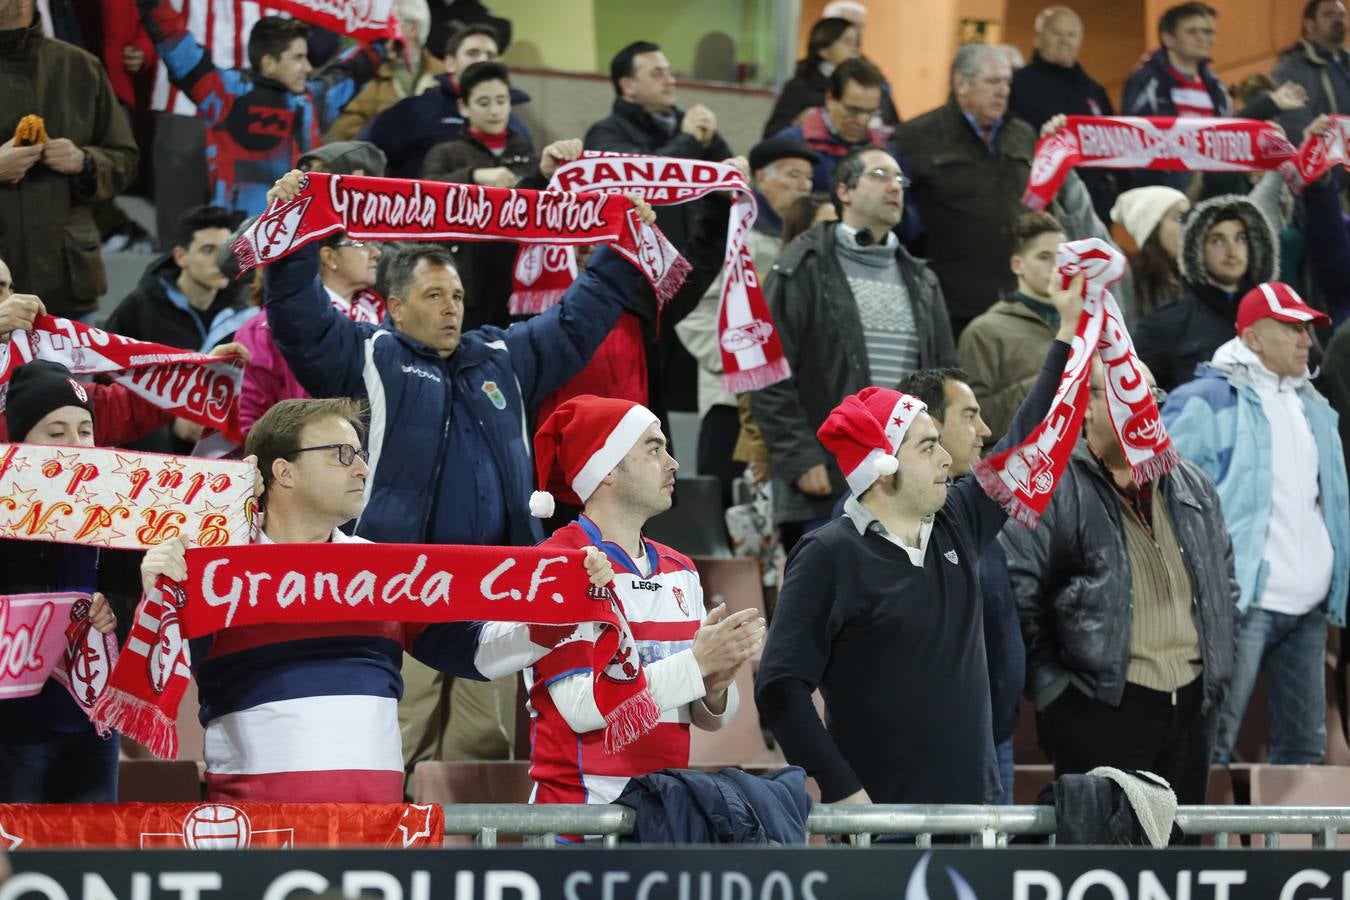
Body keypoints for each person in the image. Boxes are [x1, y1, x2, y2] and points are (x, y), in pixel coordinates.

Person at [260, 169, 660, 783]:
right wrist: (290, 239)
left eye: (456, 297)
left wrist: (620, 248)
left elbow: (578, 320)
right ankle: (394, 858)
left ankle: (471, 868)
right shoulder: (367, 356)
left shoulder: (501, 356)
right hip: (401, 584)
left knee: (484, 741)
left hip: (495, 584)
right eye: (433, 297)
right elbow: (299, 319)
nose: (451, 309)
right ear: (394, 306)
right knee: (402, 729)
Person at [137, 396, 613, 801]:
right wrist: (157, 598)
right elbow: (157, 681)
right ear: (284, 471)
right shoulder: (219, 572)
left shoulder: (383, 570)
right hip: (256, 835)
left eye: (361, 454)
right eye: (342, 454)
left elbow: (471, 653)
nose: (363, 468)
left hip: (374, 835)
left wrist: (564, 613)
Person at [756, 273, 1082, 807]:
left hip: (974, 816)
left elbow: (1028, 437)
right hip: (882, 828)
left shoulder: (958, 519)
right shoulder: (829, 555)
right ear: (883, 470)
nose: (947, 458)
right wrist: (842, 790)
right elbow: (780, 688)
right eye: (928, 446)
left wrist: (1067, 331)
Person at [1001, 360, 1237, 812]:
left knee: (1179, 868)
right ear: (1086, 406)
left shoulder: (1195, 484)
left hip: (1191, 707)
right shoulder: (1051, 484)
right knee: (1103, 865)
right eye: (1127, 397)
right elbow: (1017, 593)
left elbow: (1224, 585)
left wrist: (1217, 676)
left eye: (1152, 396)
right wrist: (1056, 692)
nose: (1144, 408)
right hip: (1099, 705)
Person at [525, 396, 765, 807]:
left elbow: (709, 718)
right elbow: (581, 708)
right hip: (579, 825)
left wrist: (716, 687)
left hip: (662, 814)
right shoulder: (556, 565)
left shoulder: (681, 570)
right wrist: (697, 664)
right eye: (654, 449)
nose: (673, 463)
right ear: (606, 472)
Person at [1163, 283, 1349, 766]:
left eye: (1307, 329)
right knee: (1212, 741)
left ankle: (1295, 846)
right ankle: (1190, 843)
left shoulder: (1316, 408)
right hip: (1240, 602)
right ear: (1252, 337)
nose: (1306, 340)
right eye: (1293, 328)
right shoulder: (1204, 400)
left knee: (1305, 750)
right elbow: (1164, 493)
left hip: (1308, 608)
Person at [750, 146, 957, 550]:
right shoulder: (800, 266)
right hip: (826, 474)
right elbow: (766, 371)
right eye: (880, 175)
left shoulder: (921, 279)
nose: (894, 187)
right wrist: (799, 457)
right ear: (843, 190)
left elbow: (943, 379)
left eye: (900, 180)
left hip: (908, 477)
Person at [893, 366, 1022, 804]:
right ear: (927, 424)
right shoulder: (868, 523)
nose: (984, 430)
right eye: (969, 416)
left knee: (988, 874)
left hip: (993, 739)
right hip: (916, 755)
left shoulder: (968, 509)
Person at [0, 361, 120, 802]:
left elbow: (141, 591)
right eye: (56, 433)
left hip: (98, 719)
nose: (76, 445)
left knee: (96, 853)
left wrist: (114, 610)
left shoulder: (120, 504)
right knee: (22, 855)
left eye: (84, 431)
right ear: (20, 440)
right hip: (18, 720)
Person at [674, 138, 819, 504]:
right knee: (729, 512)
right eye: (793, 174)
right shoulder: (735, 234)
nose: (804, 185)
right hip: (729, 401)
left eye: (809, 177)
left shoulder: (812, 244)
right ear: (759, 179)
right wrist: (743, 365)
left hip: (793, 408)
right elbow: (691, 309)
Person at [136, 0, 382, 213]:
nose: (308, 68)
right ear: (269, 63)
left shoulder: (309, 100)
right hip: (238, 247)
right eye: (298, 58)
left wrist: (384, 40)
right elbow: (179, 50)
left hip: (291, 241)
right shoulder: (227, 94)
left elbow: (352, 72)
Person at [0, 0, 139, 321]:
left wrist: (84, 161)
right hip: (4, 284)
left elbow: (125, 159)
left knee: (69, 375)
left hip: (66, 286)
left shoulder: (80, 67)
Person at [422, 62, 582, 331]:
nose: (495, 110)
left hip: (520, 287)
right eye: (483, 102)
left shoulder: (535, 160)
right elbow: (426, 197)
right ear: (463, 106)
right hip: (467, 286)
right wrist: (474, 175)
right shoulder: (446, 154)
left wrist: (543, 175)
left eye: (501, 100)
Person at [895, 42, 1037, 331]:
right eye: (993, 81)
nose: (1003, 91)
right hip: (949, 305)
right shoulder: (915, 137)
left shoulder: (1023, 135)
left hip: (1018, 302)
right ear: (961, 83)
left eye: (1007, 82)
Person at [1134, 194, 1280, 391]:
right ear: (1196, 249)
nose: (1232, 252)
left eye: (1241, 238)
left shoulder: (1280, 317)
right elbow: (1137, 398)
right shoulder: (1165, 325)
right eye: (1217, 241)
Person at [363, 22, 532, 179]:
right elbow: (361, 153)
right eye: (473, 53)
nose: (482, 60)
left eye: (490, 55)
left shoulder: (514, 126)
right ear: (450, 63)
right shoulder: (413, 111)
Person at [958, 212, 1067, 444]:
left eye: (1063, 257)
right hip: (1018, 468)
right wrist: (1050, 379)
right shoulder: (985, 331)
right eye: (1045, 257)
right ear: (1017, 265)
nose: (1057, 266)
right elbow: (975, 421)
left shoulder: (1086, 327)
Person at [1010, 6, 1117, 224]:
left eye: (1072, 35)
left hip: (1091, 209)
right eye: (1056, 33)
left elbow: (1113, 146)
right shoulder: (1015, 85)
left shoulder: (1095, 92)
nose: (1065, 41)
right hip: (1033, 206)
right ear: (1038, 38)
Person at [104, 205, 254, 353]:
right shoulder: (138, 309)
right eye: (208, 250)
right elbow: (104, 369)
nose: (221, 261)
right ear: (180, 256)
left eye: (225, 250)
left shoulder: (246, 310)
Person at [1120, 3, 1230, 190]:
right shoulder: (1146, 82)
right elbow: (1133, 140)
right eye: (1192, 31)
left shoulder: (1217, 88)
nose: (1203, 38)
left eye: (1207, 32)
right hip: (1163, 193)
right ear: (1168, 39)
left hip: (1210, 192)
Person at [762, 17, 862, 139]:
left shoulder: (864, 86)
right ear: (823, 49)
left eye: (856, 43)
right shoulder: (800, 86)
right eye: (847, 42)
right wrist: (797, 123)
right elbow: (770, 136)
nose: (854, 49)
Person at [1273, 0, 1350, 144]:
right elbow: (1294, 124)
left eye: (1343, 15)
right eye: (1329, 14)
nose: (1338, 19)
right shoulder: (1290, 69)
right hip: (1323, 160)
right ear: (1310, 25)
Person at [1111, 186, 1191, 320]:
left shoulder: (1197, 277)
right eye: (1179, 218)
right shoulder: (1127, 277)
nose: (1188, 225)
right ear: (1152, 228)